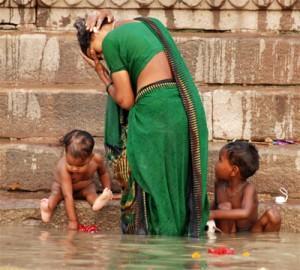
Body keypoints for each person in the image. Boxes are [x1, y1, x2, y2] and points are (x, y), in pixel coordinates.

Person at [73, 10, 209, 237]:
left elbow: (126, 99)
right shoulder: (146, 24)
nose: (101, 58)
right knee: (174, 187)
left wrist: (102, 76)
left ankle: (157, 252)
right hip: (179, 108)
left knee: (153, 193)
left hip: (154, 111)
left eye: (96, 53)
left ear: (94, 35)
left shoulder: (112, 41)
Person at [40, 129, 113, 230]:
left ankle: (98, 201)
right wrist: (72, 221)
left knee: (90, 191)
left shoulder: (96, 160)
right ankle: (47, 208)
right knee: (56, 193)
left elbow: (103, 173)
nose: (74, 169)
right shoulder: (63, 167)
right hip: (63, 189)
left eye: (80, 166)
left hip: (84, 187)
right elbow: (68, 195)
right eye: (71, 164)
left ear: (90, 157)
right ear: (66, 153)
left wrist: (107, 189)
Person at [210, 141, 281, 233]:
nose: (216, 164)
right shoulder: (219, 185)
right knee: (224, 207)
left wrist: (213, 214)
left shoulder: (248, 189)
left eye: (220, 160)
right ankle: (226, 243)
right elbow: (215, 204)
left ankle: (265, 245)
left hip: (250, 232)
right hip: (229, 232)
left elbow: (245, 212)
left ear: (234, 171)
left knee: (273, 215)